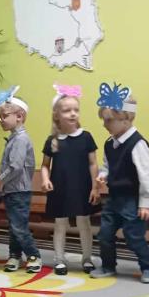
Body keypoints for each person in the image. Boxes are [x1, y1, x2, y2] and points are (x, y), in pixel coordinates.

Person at [91, 82, 149, 283]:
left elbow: (146, 176)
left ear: (126, 119)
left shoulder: (138, 144)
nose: (104, 124)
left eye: (109, 120)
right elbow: (107, 165)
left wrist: (146, 203)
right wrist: (103, 175)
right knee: (105, 234)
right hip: (114, 198)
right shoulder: (109, 144)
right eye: (103, 120)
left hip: (132, 200)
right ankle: (108, 265)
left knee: (133, 236)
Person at [40, 85, 98, 275]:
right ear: (57, 115)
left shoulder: (86, 137)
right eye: (67, 110)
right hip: (60, 188)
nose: (73, 114)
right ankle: (59, 259)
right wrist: (45, 179)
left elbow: (93, 163)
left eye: (76, 109)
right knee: (60, 224)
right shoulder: (53, 140)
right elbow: (45, 165)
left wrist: (95, 187)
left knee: (84, 223)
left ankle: (87, 259)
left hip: (82, 188)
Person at [0, 86, 42, 274]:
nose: (0, 120)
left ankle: (34, 255)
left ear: (19, 116)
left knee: (19, 227)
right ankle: (14, 255)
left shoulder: (21, 140)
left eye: (4, 116)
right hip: (12, 190)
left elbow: (15, 166)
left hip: (19, 191)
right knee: (14, 226)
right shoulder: (14, 139)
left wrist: (0, 179)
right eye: (0, 116)